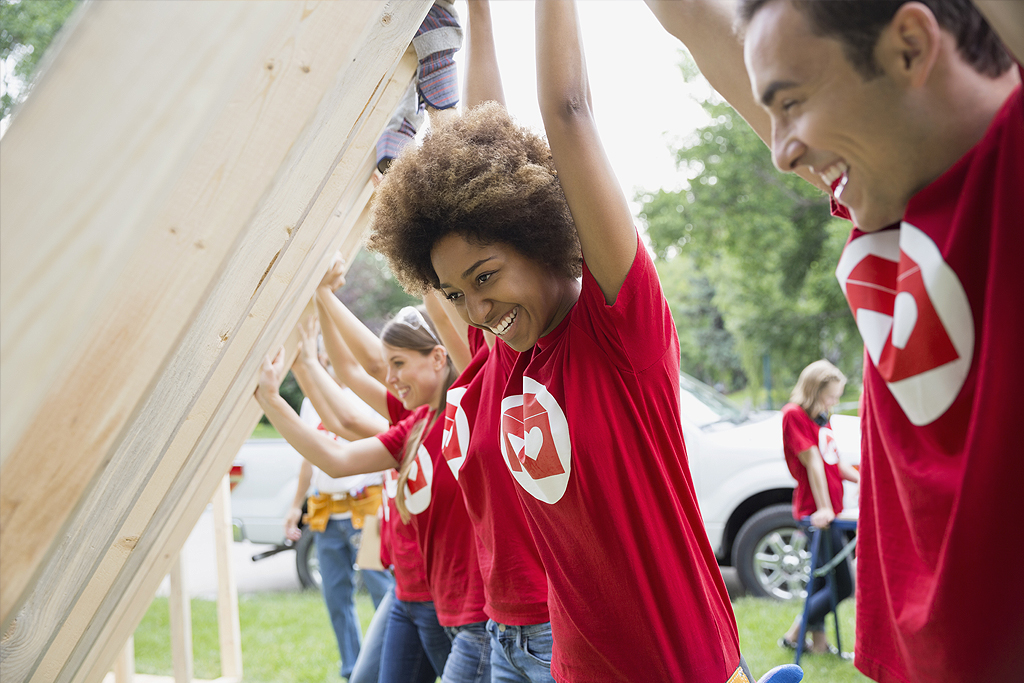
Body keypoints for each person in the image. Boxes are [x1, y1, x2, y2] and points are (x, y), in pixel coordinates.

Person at [367, 1, 748, 680]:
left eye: (485, 278)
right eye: (456, 296)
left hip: (674, 664)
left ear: (536, 228)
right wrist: (475, 17)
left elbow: (566, 113)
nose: (476, 311)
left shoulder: (617, 333)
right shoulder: (507, 354)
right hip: (567, 664)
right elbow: (486, 144)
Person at [734, 2, 1024, 681]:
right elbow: (694, 22)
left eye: (792, 103)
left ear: (911, 46)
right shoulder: (890, 208)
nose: (779, 151)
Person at [255, 303, 491, 683]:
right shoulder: (414, 423)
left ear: (438, 357)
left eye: (398, 364)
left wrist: (324, 295)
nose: (390, 377)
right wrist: (285, 382)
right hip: (417, 595)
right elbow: (336, 456)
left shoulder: (466, 410)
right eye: (390, 366)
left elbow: (360, 376)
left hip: (466, 612)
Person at [777, 360, 859, 656]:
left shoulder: (823, 417)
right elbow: (812, 462)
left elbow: (832, 461)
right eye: (831, 395)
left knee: (825, 580)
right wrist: (824, 509)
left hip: (831, 511)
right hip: (816, 512)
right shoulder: (794, 415)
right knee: (843, 585)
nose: (835, 401)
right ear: (815, 390)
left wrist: (865, 479)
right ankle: (794, 635)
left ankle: (820, 645)